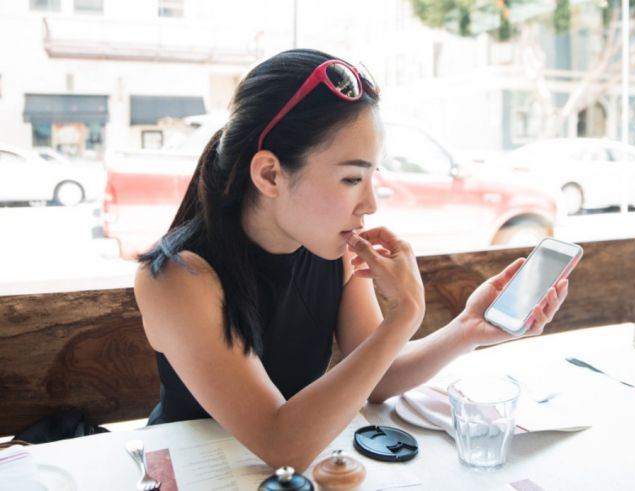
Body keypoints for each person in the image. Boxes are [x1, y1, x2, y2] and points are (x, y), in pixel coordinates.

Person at [134, 48, 570, 472]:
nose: (370, 204)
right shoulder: (179, 277)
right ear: (269, 174)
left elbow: (378, 377)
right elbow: (281, 444)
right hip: (192, 473)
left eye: (372, 177)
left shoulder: (331, 250)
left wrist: (467, 329)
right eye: (351, 178)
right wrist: (403, 317)